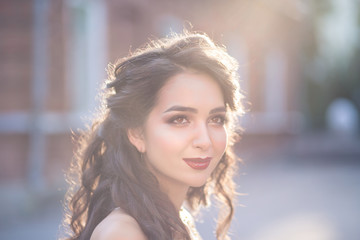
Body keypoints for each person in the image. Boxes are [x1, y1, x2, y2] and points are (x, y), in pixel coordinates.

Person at [61, 31, 244, 240]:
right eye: (180, 119)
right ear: (137, 133)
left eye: (216, 119)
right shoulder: (123, 233)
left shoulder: (176, 219)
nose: (205, 141)